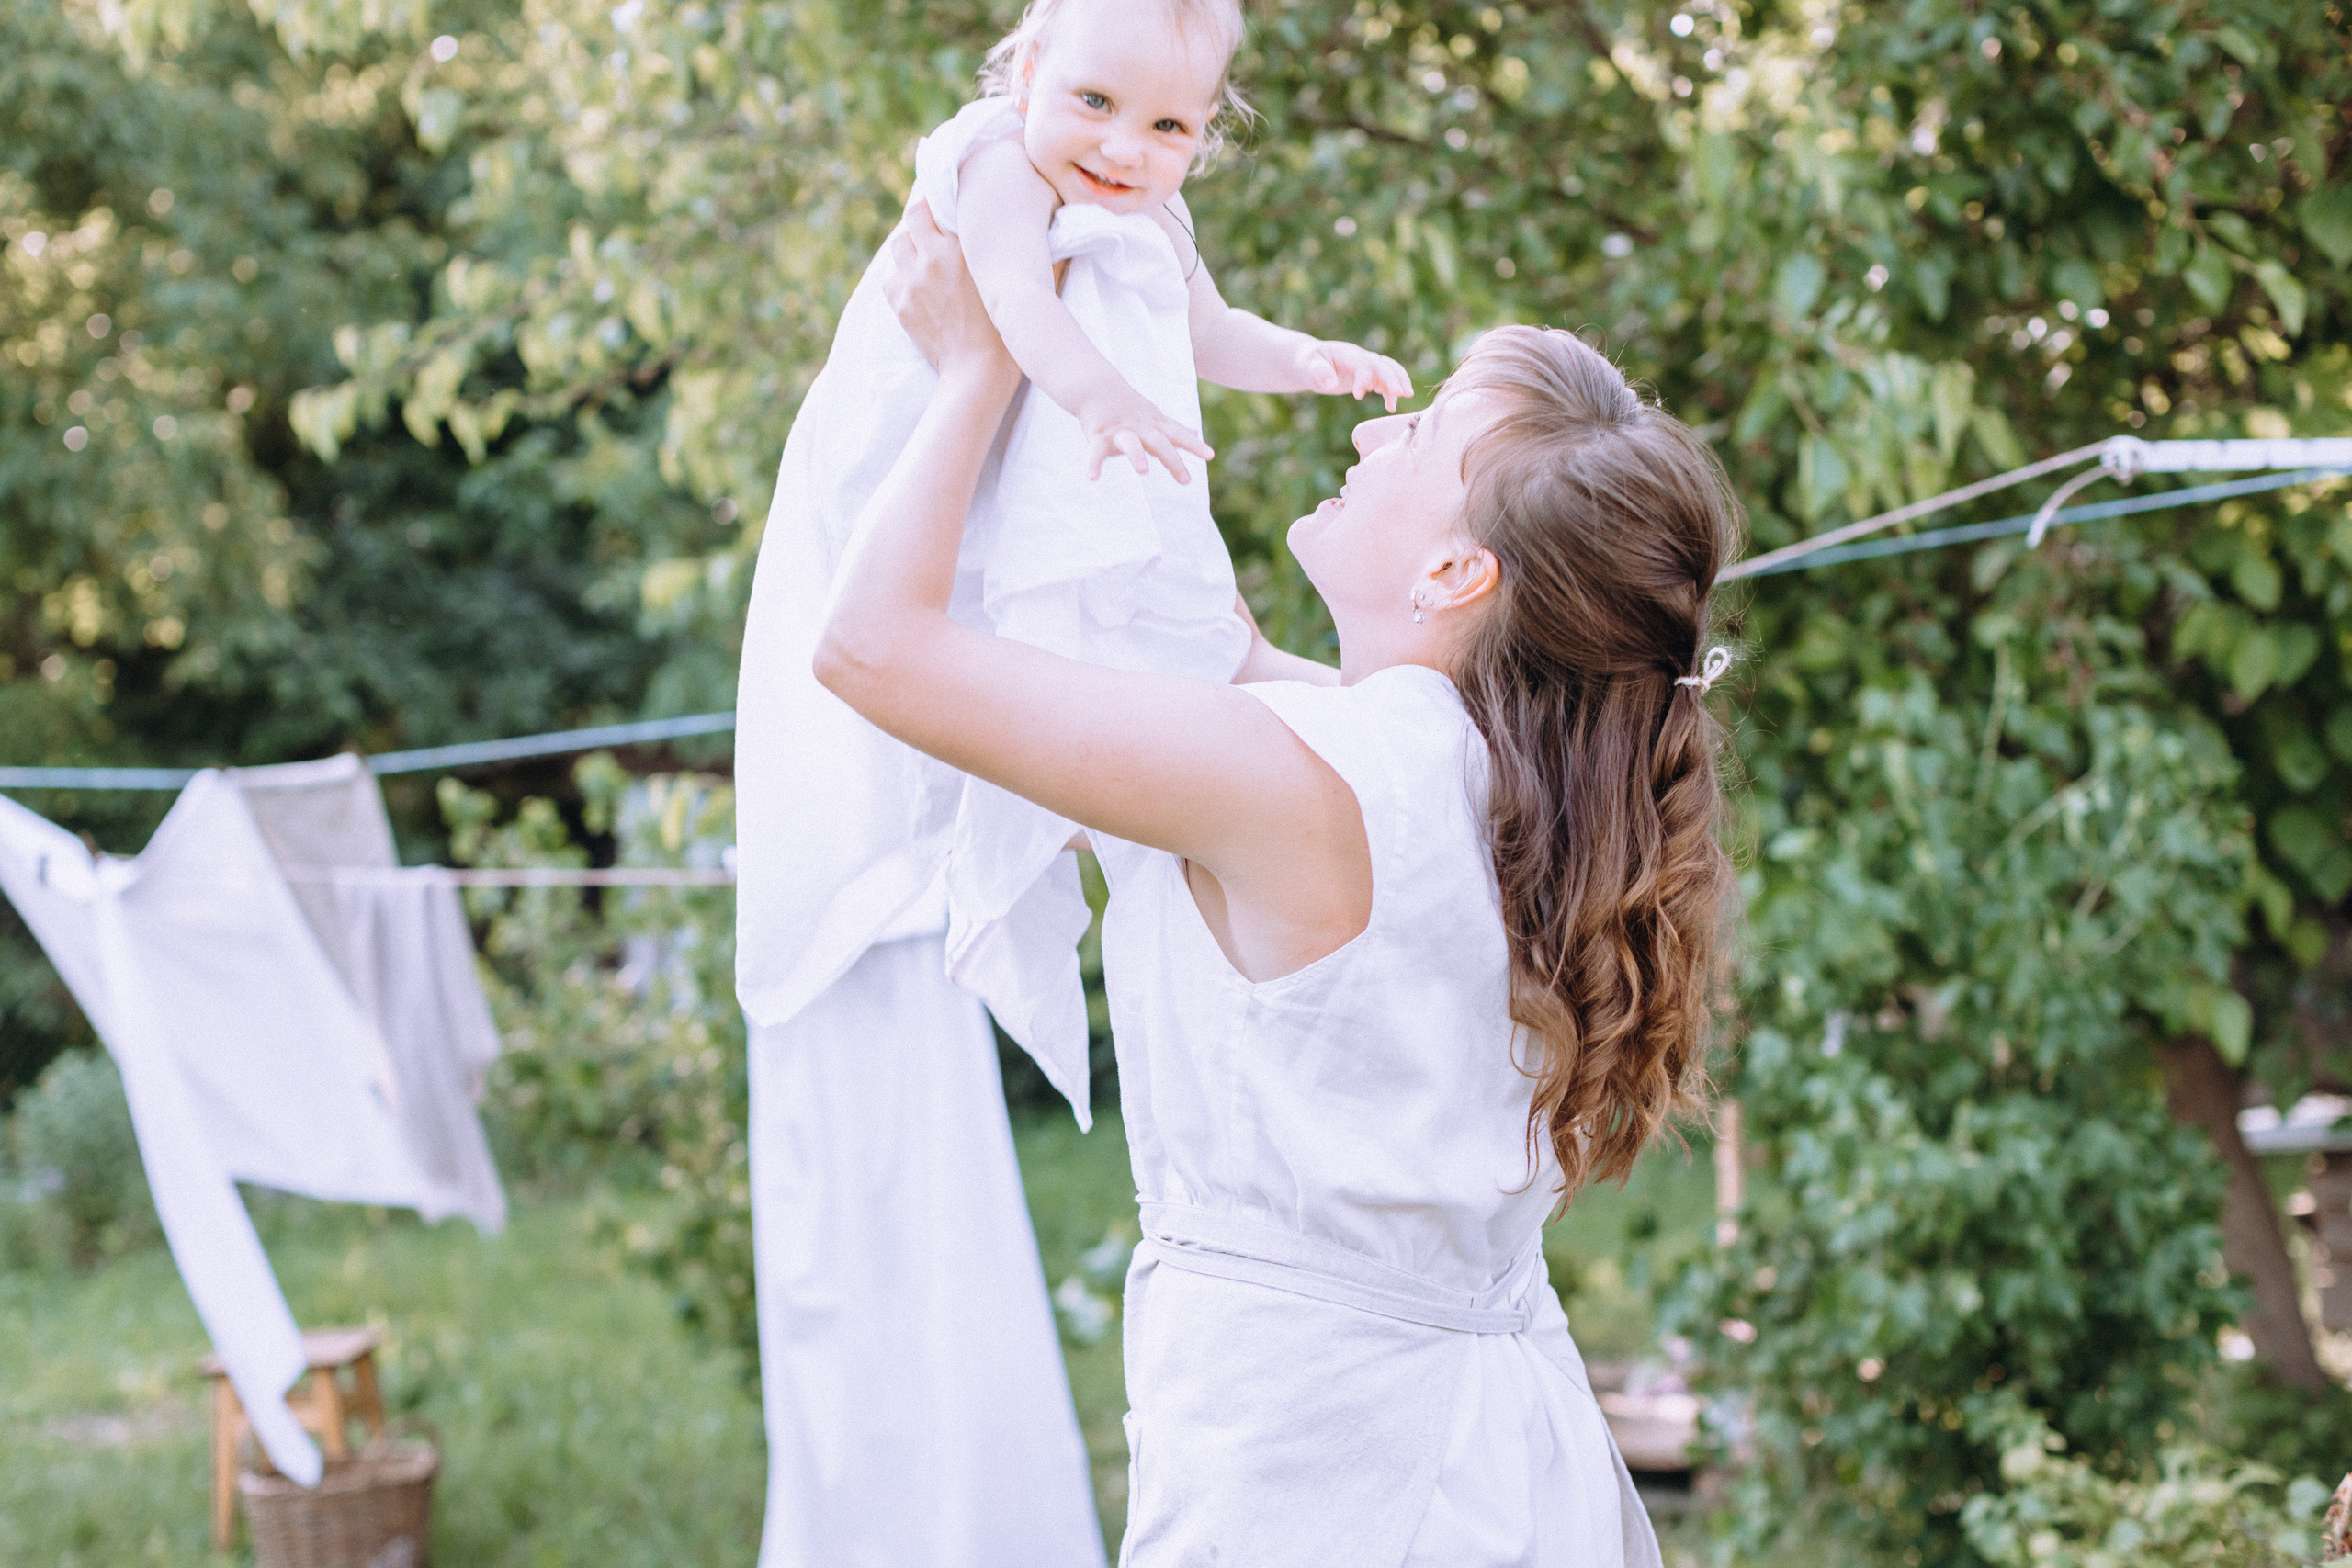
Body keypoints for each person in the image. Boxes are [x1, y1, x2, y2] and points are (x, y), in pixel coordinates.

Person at [815, 204, 1742, 1567]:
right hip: (1489, 1458)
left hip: (1323, 1478)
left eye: (1414, 438)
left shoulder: (1300, 781)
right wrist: (1077, 323)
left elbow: (872, 649)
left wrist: (970, 372)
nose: (1372, 434)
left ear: (1453, 570)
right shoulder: (1497, 782)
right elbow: (1196, 632)